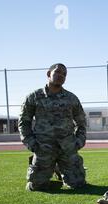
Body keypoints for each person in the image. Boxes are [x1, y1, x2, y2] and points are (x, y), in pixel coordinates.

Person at [18, 63, 87, 191]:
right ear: (49, 74)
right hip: (43, 147)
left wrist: (78, 142)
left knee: (78, 185)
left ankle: (60, 169)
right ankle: (51, 169)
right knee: (36, 187)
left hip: (67, 147)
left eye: (64, 74)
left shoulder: (71, 98)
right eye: (58, 72)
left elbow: (82, 122)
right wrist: (31, 143)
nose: (61, 75)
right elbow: (24, 122)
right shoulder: (34, 97)